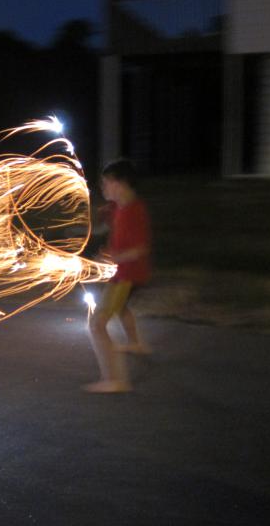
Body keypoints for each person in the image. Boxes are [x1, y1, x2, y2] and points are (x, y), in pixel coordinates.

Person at [84, 159, 151, 393]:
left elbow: (140, 248)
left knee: (96, 325)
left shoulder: (134, 211)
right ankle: (135, 344)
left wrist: (115, 258)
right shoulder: (120, 208)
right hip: (124, 273)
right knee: (121, 308)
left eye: (106, 182)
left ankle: (114, 379)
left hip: (126, 275)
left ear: (120, 184)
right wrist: (110, 252)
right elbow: (121, 238)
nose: (103, 187)